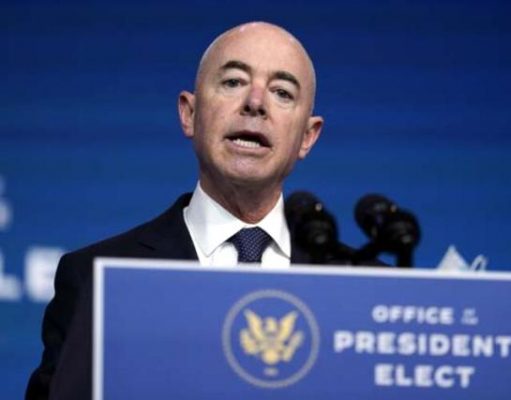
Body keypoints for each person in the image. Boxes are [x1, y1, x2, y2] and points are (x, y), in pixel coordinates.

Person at [26, 22, 379, 400]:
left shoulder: (366, 292)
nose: (255, 102)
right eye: (233, 82)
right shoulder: (96, 280)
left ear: (308, 136)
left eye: (281, 92)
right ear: (189, 113)